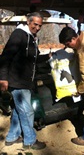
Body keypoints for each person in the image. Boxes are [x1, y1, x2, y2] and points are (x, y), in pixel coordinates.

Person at [0, 12, 50, 150]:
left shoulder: (33, 38)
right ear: (28, 22)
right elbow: (5, 56)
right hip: (17, 81)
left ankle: (12, 137)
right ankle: (30, 140)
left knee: (18, 110)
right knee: (27, 112)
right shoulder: (19, 34)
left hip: (27, 81)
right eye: (35, 24)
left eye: (40, 25)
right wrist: (3, 78)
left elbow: (34, 59)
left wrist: (49, 56)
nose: (38, 28)